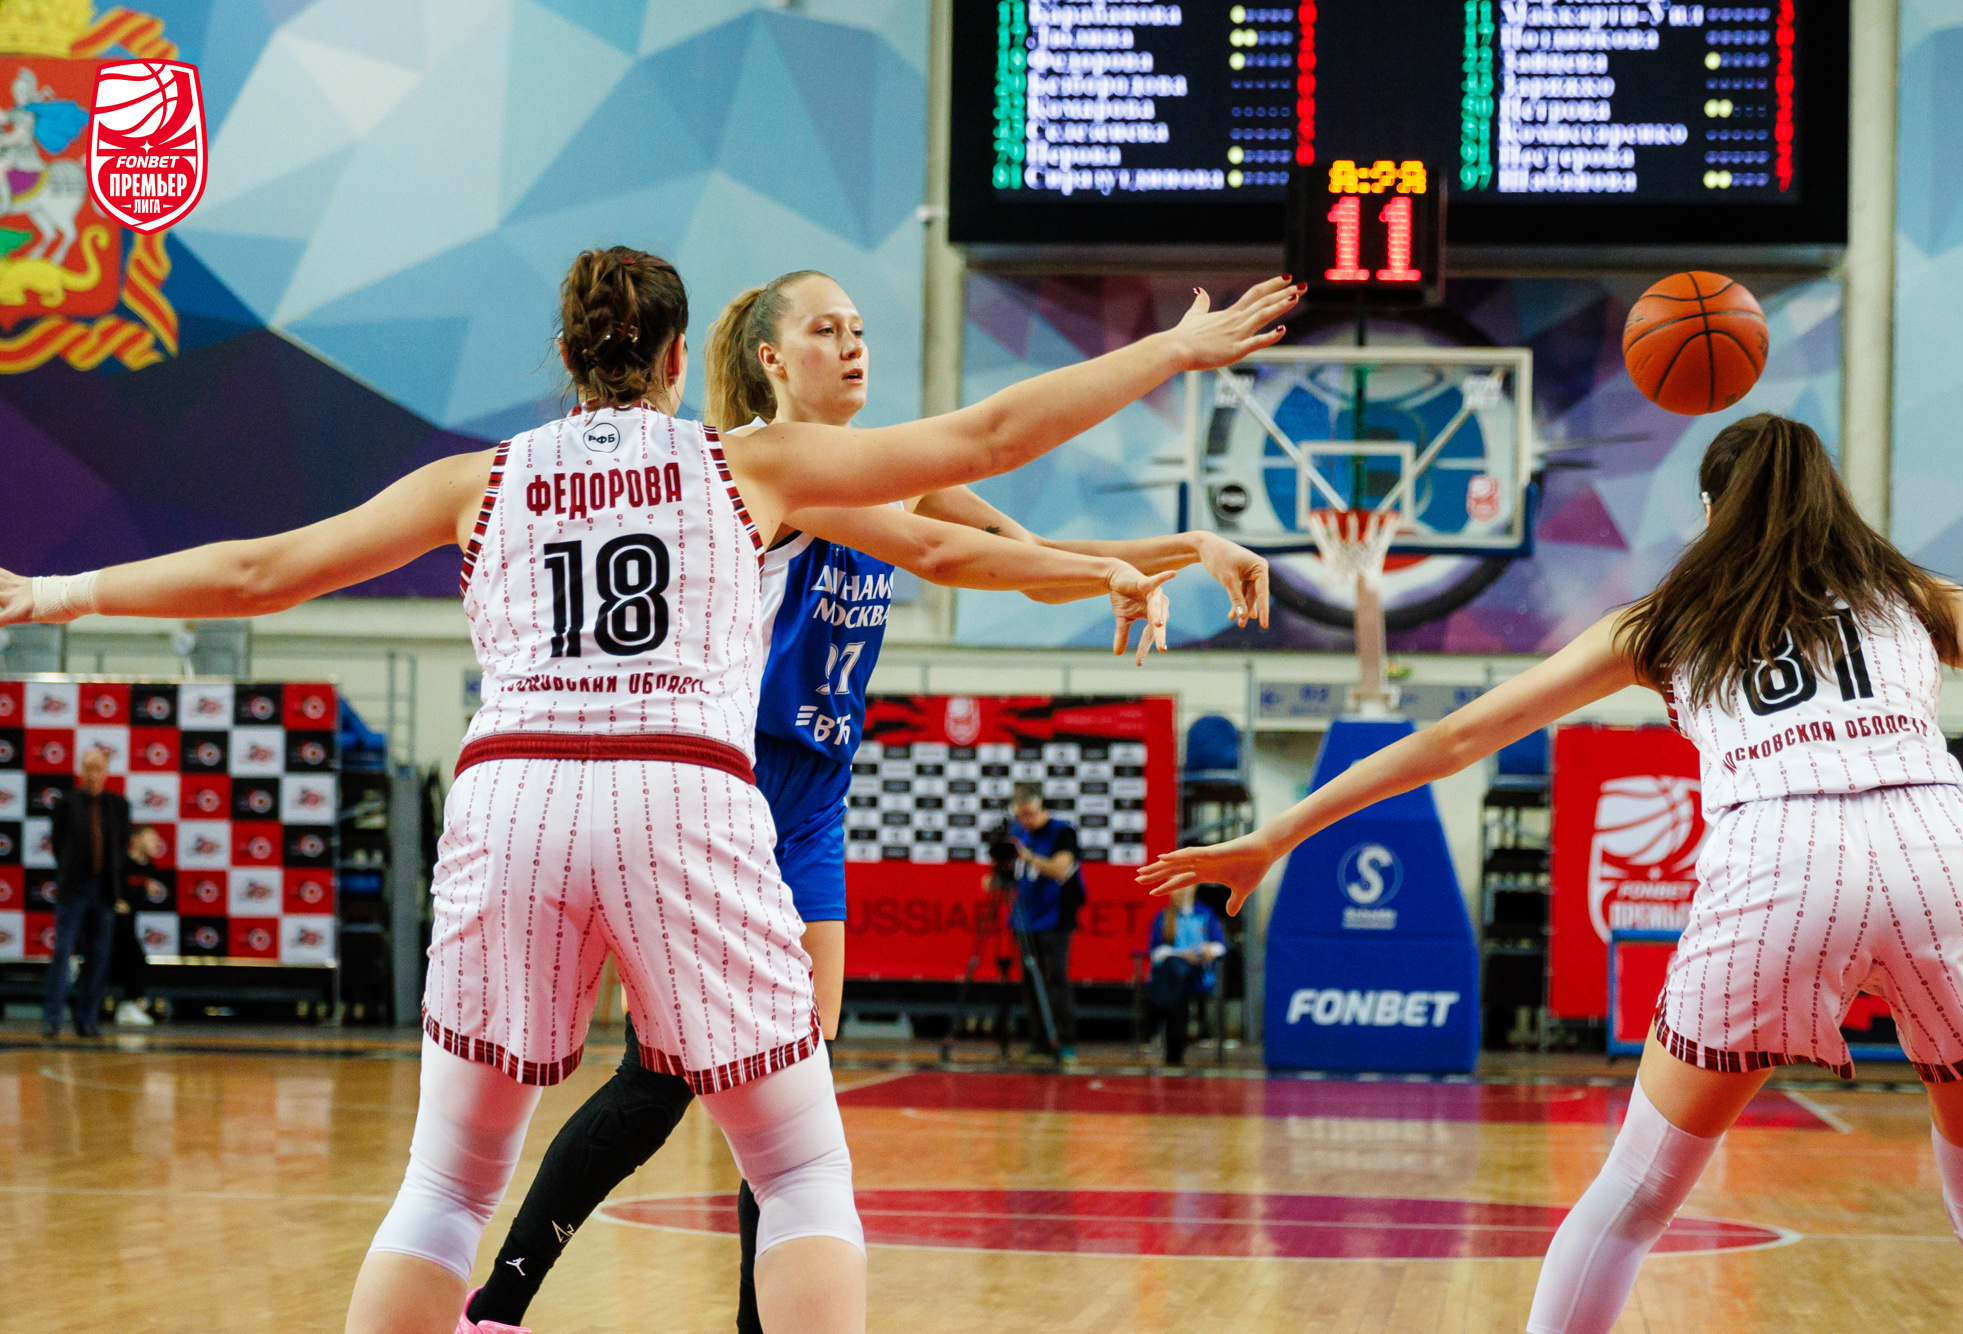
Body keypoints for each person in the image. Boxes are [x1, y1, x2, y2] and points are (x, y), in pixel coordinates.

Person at [0, 245, 1299, 1334]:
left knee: (444, 1186)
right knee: (798, 1166)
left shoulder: (478, 480)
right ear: (683, 358)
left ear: (569, 355)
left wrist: (56, 593)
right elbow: (989, 437)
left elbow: (259, 573)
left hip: (511, 795)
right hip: (683, 792)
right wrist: (1169, 351)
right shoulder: (750, 465)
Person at [465, 268, 1280, 1334]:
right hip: (729, 788)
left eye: (859, 327)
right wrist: (1115, 550)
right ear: (772, 357)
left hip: (814, 801)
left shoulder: (896, 479)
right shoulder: (758, 471)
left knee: (791, 1082)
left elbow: (1031, 561)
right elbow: (961, 550)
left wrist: (1190, 548)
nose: (854, 344)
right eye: (827, 329)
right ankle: (499, 1303)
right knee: (661, 1083)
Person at [1140, 413, 1963, 1330]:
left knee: (1635, 1195)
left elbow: (1454, 738)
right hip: (1950, 850)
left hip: (1783, 860)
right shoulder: (1920, 595)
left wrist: (1279, 834)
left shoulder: (1664, 619)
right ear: (1833, 498)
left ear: (1713, 510)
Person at [43, 746, 128, 1038]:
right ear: (81, 770)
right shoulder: (66, 803)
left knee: (99, 955)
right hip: (74, 888)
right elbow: (58, 844)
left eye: (98, 768)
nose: (92, 774)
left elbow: (121, 845)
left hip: (104, 889)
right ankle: (53, 1018)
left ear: (106, 772)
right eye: (88, 768)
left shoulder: (118, 805)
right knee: (62, 951)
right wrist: (70, 872)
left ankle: (87, 1018)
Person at [1001, 781, 1084, 1063]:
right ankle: (1040, 1040)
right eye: (1020, 815)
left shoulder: (1062, 832)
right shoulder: (1017, 832)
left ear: (1041, 807)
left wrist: (1028, 856)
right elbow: (1009, 869)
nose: (1025, 821)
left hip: (1056, 916)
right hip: (1025, 917)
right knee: (1029, 981)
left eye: (1030, 814)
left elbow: (1060, 868)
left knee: (1055, 978)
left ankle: (1065, 1040)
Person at [1146, 882, 1227, 1067]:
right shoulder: (1164, 916)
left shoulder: (1206, 914)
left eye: (1185, 884)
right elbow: (1155, 952)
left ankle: (1157, 1012)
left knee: (1175, 974)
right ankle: (1175, 1049)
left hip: (1197, 974)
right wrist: (1182, 954)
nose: (1181, 889)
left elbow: (1221, 946)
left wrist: (1208, 949)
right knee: (1175, 972)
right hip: (1173, 976)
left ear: (1194, 888)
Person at [112, 825, 170, 1026]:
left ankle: (134, 1003)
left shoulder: (149, 867)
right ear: (136, 840)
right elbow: (108, 885)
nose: (156, 842)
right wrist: (115, 900)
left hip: (129, 922)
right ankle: (131, 1004)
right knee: (135, 958)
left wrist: (149, 888)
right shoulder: (121, 862)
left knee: (135, 960)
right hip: (113, 921)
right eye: (150, 838)